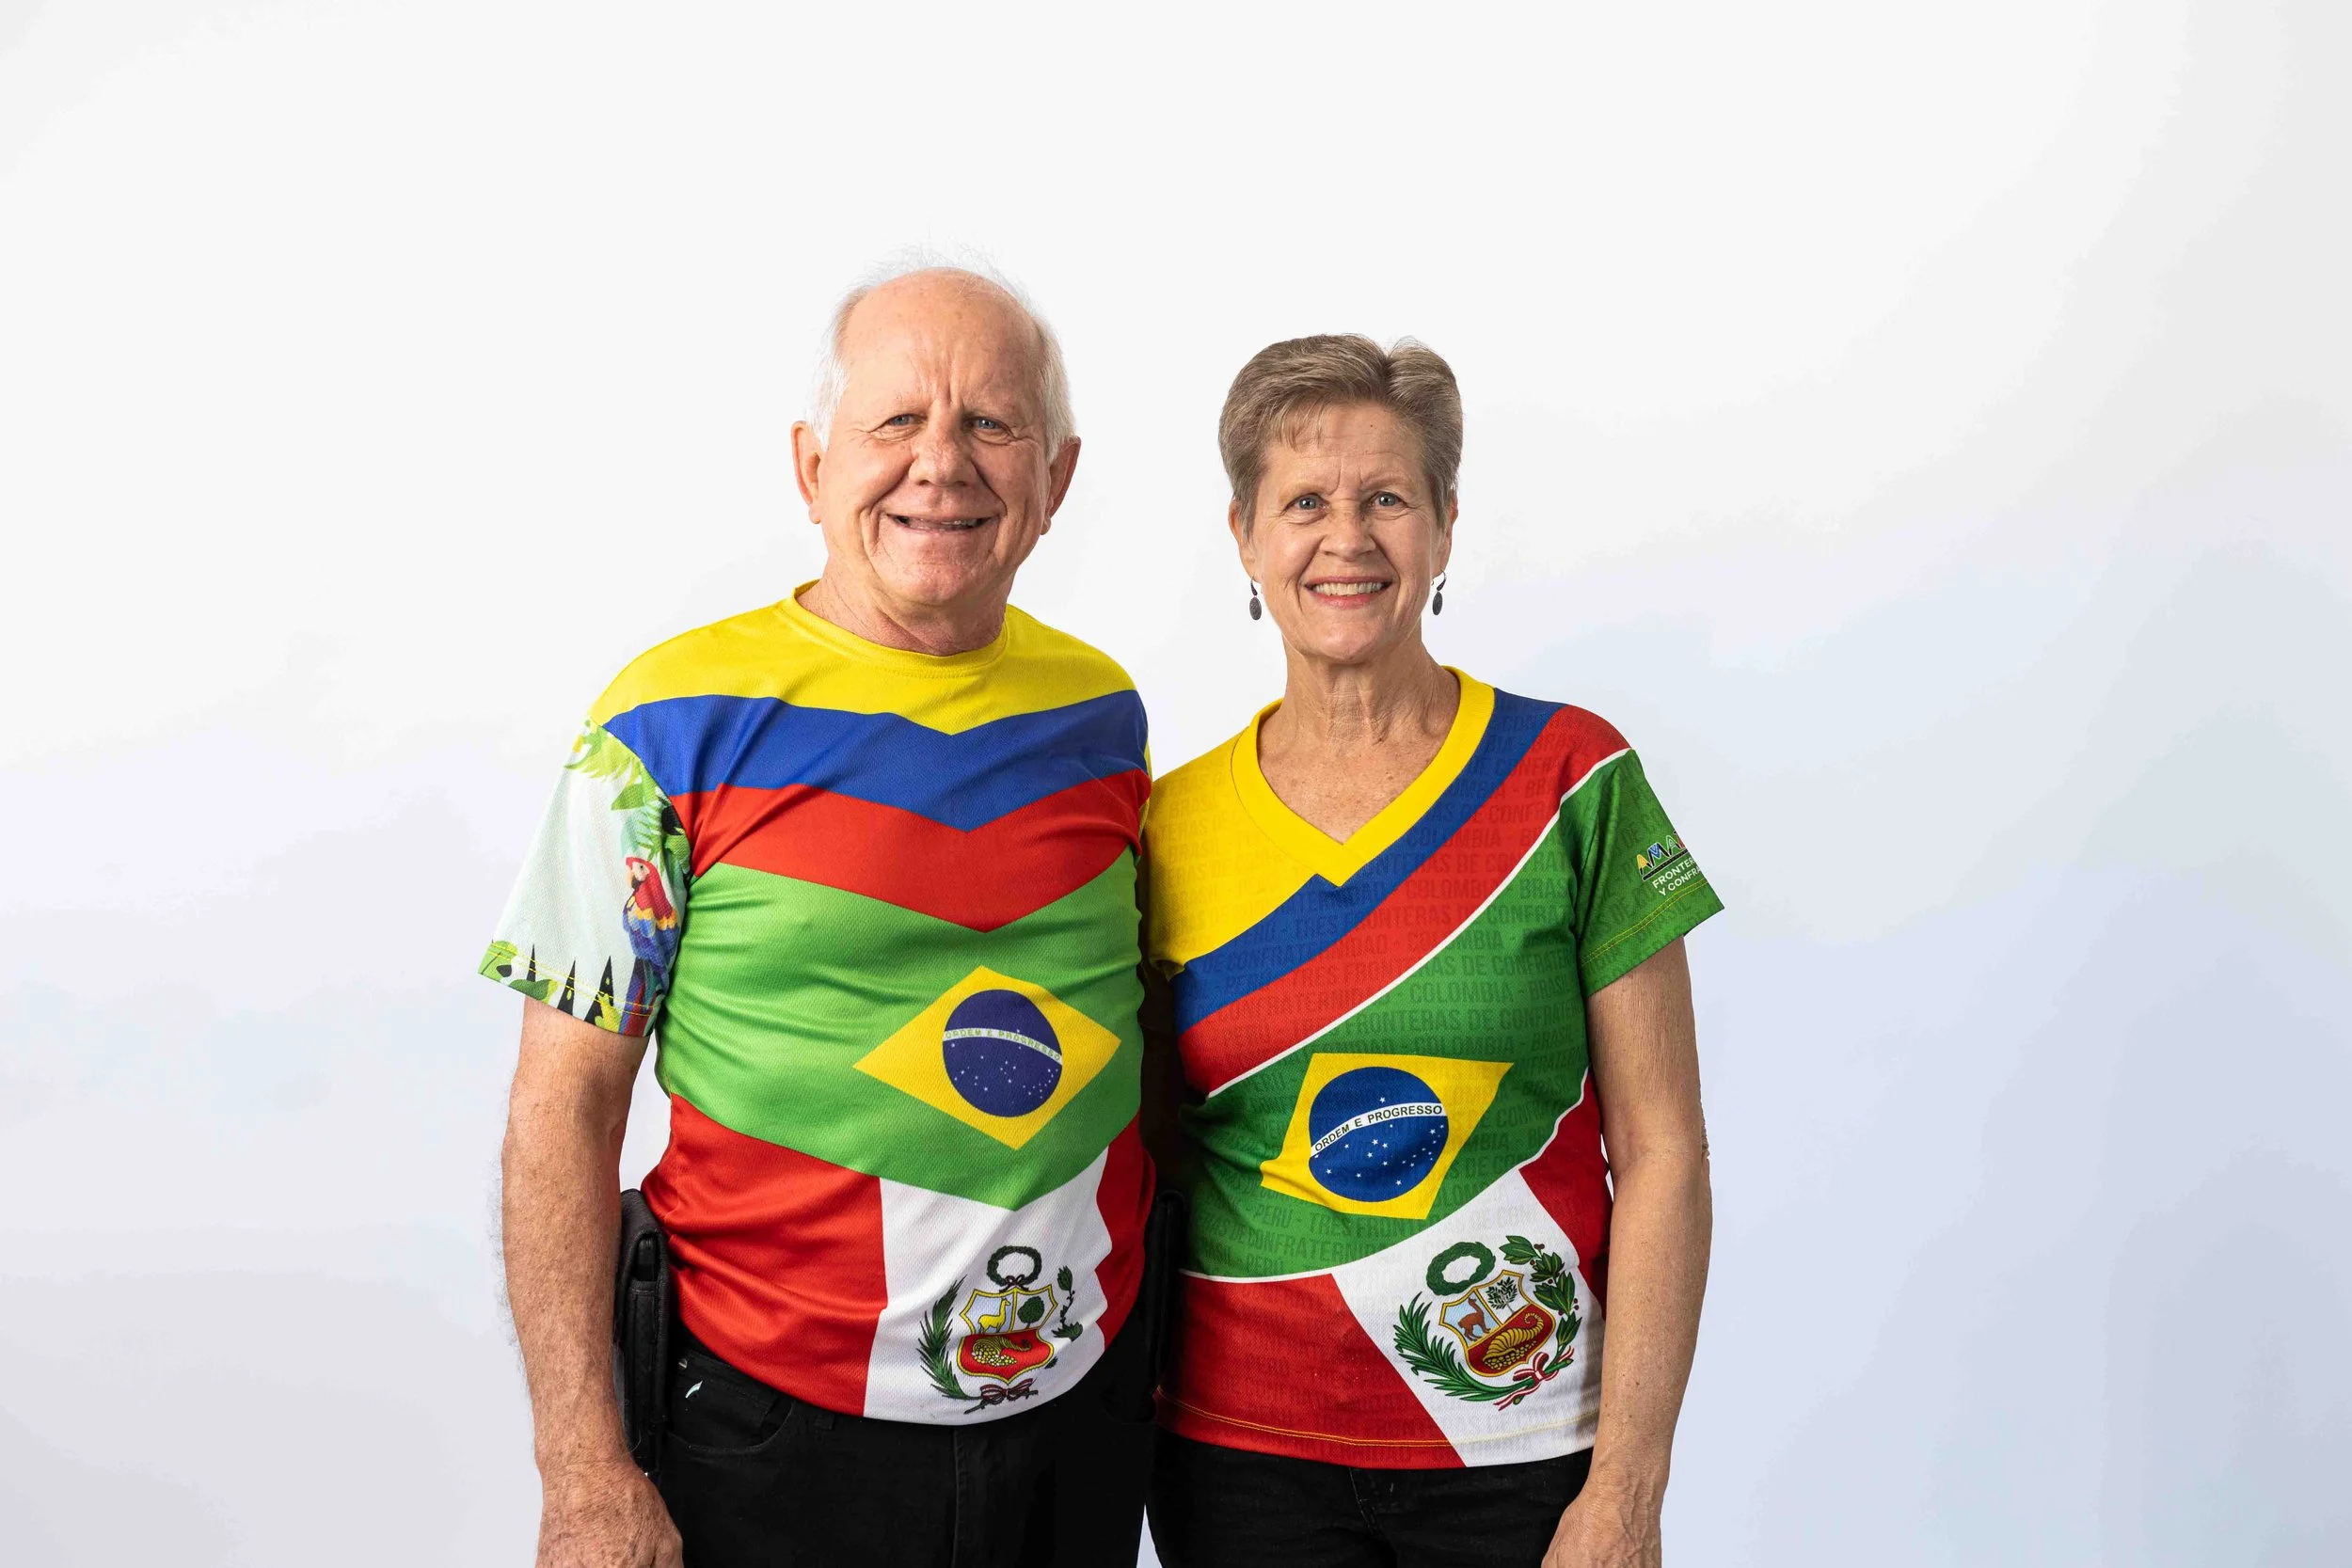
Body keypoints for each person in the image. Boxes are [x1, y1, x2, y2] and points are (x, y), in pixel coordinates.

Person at [483, 263, 1158, 1568]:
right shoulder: (658, 728)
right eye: (895, 422)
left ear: (1057, 477)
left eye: (990, 424)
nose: (941, 466)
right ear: (811, 466)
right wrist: (580, 1465)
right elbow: (561, 1108)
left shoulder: (1104, 718)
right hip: (766, 1437)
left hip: (1075, 1425)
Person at [1141, 335, 1721, 1568]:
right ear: (1244, 535)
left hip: (1524, 1455)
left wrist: (1626, 1492)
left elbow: (1664, 1150)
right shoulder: (1161, 828)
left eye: (1387, 498)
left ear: (1446, 528)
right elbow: (1157, 1161)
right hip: (1239, 1462)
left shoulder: (1572, 778)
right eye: (1304, 501)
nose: (1345, 536)